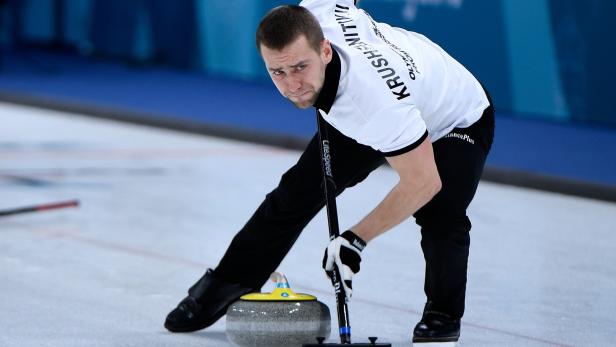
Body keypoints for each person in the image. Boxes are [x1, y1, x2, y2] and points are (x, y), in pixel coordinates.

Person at [165, 0, 494, 344]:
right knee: (298, 191)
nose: (292, 85)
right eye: (278, 72)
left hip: (457, 114)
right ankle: (229, 282)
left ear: (324, 50)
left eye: (300, 67)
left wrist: (355, 240)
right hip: (375, 102)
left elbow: (424, 182)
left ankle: (442, 316)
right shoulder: (315, 11)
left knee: (441, 211)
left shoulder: (374, 105)